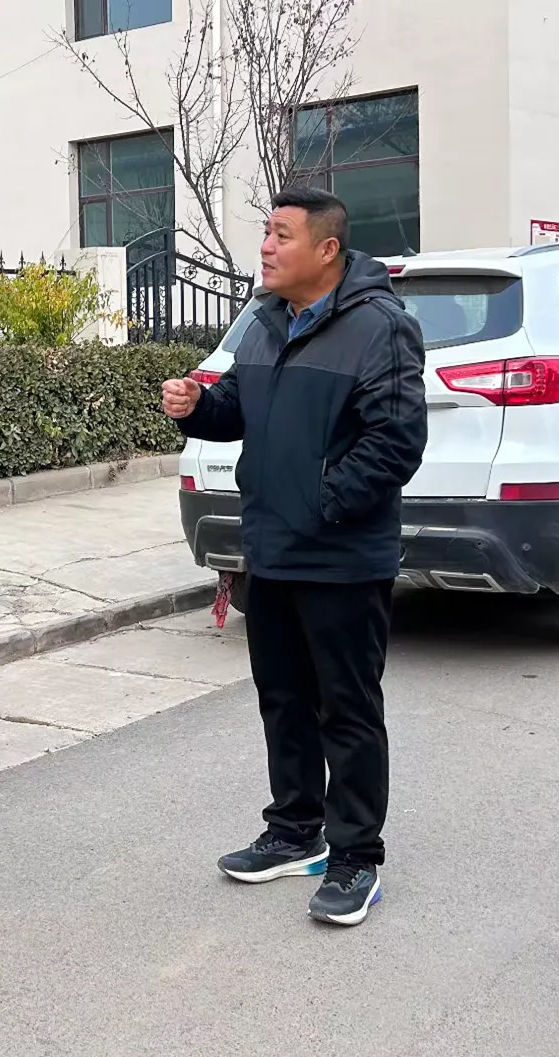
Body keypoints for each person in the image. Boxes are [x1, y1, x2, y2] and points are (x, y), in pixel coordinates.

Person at [161, 186, 427, 926]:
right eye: (266, 233)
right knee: (282, 699)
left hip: (342, 556)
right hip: (271, 549)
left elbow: (396, 442)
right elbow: (238, 408)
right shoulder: (265, 320)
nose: (267, 247)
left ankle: (355, 856)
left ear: (327, 249)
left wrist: (319, 504)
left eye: (281, 235)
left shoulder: (381, 327)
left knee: (347, 707)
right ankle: (293, 830)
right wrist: (198, 406)